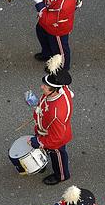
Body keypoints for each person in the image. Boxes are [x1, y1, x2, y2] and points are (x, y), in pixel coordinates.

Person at [27, 55, 74, 185]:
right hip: (46, 129)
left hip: (54, 137)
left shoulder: (56, 114)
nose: (42, 87)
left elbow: (56, 138)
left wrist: (40, 142)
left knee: (57, 154)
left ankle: (61, 175)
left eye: (45, 87)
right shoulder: (61, 89)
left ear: (54, 90)